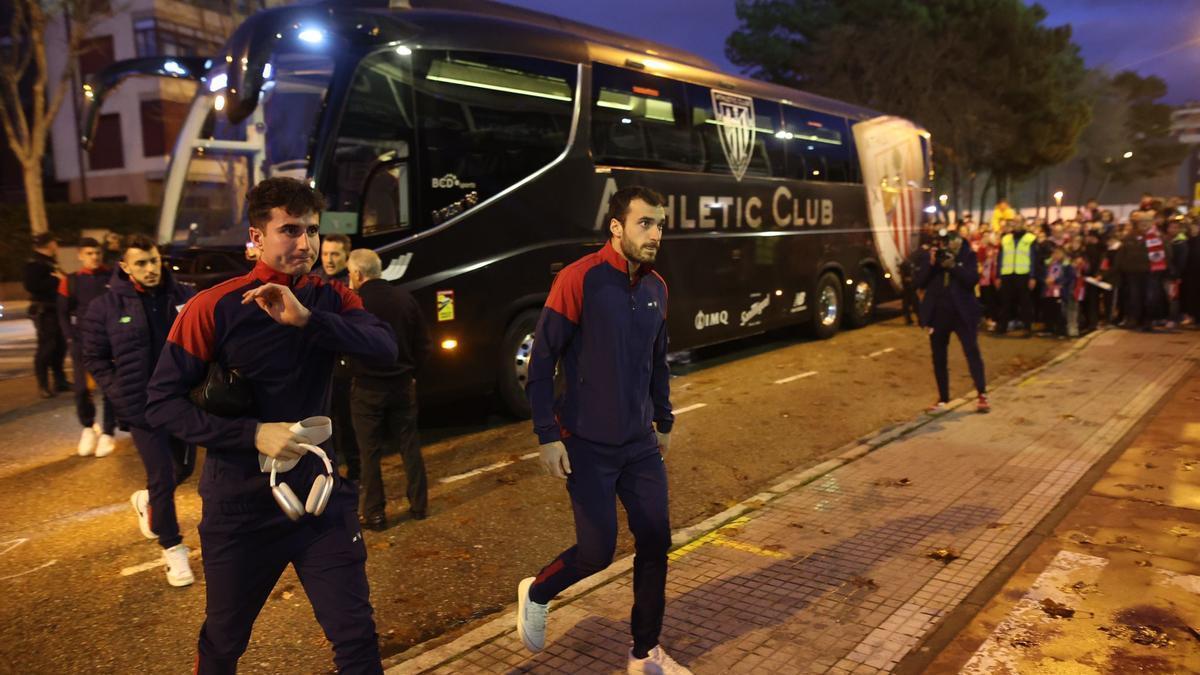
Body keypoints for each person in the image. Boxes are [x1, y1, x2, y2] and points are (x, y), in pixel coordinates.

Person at [144, 177, 396, 673]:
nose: (305, 243)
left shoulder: (329, 299)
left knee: (356, 637)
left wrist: (308, 320)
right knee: (224, 642)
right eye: (290, 230)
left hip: (322, 497)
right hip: (240, 509)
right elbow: (160, 405)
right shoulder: (212, 307)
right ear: (257, 236)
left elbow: (385, 348)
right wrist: (251, 434)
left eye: (312, 231)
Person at [516, 186, 689, 674]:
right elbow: (542, 358)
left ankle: (644, 652)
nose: (656, 234)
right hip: (586, 445)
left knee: (656, 539)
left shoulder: (657, 287)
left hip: (639, 445)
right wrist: (547, 434)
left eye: (660, 224)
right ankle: (538, 589)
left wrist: (664, 419)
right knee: (596, 553)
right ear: (616, 227)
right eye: (645, 223)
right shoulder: (580, 279)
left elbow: (658, 361)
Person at [81, 235, 198, 585]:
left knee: (183, 470)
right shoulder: (105, 307)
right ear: (126, 266)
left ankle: (148, 501)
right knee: (162, 474)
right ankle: (173, 550)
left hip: (181, 401)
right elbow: (94, 358)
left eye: (154, 261)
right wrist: (119, 393)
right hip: (141, 406)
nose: (150, 269)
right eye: (142, 263)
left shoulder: (183, 296)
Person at [346, 249, 431, 530]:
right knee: (409, 444)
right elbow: (423, 345)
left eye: (350, 273)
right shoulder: (405, 299)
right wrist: (414, 374)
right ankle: (419, 505)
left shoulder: (355, 304)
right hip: (402, 384)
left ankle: (375, 514)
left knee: (369, 452)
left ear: (358, 274)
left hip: (367, 388)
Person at [916, 229, 989, 414]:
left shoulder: (969, 255)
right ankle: (943, 398)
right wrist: (932, 265)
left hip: (962, 313)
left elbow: (971, 280)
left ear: (959, 241)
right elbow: (919, 282)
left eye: (951, 241)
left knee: (972, 351)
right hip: (939, 314)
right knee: (938, 357)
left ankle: (982, 394)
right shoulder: (935, 257)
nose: (947, 245)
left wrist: (953, 266)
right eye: (945, 242)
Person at [57, 237, 117, 457]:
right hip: (82, 342)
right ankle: (88, 426)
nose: (94, 257)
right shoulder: (71, 280)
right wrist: (70, 338)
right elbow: (62, 312)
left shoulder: (112, 276)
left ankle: (108, 432)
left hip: (109, 341)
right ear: (80, 255)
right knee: (82, 389)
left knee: (110, 389)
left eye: (97, 253)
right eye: (89, 253)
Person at [317, 233, 361, 481]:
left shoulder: (351, 286)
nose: (329, 259)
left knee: (347, 423)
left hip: (344, 367)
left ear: (346, 256)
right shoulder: (316, 280)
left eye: (335, 254)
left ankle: (356, 472)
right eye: (325, 254)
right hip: (321, 365)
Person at [24, 233, 70, 398]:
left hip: (56, 309)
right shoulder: (35, 263)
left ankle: (60, 381)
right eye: (54, 243)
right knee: (47, 347)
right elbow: (32, 286)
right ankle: (43, 385)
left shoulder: (50, 262)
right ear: (49, 244)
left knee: (60, 346)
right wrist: (56, 280)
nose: (56, 246)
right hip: (44, 311)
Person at [995, 219, 1036, 337]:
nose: (1016, 225)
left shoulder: (1030, 238)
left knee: (1025, 302)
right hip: (1007, 274)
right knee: (1005, 302)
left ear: (1023, 224)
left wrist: (1032, 276)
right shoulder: (1005, 238)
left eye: (1019, 223)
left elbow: (1033, 258)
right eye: (1014, 223)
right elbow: (1000, 258)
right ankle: (1002, 327)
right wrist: (998, 275)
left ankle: (1027, 328)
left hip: (1023, 274)